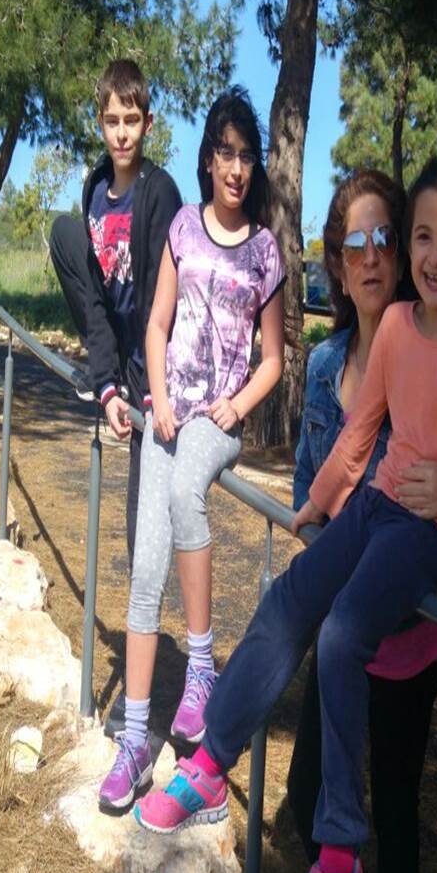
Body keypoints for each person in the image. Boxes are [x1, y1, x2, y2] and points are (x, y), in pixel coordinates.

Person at [134, 155, 437, 873]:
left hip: (420, 532)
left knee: (341, 639)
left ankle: (342, 869)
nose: (429, 254)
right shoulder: (394, 332)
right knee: (289, 594)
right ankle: (211, 757)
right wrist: (313, 504)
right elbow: (359, 433)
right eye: (419, 237)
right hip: (373, 506)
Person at [288, 169, 437, 873]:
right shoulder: (326, 362)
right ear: (335, 259)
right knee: (307, 788)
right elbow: (308, 484)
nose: (369, 256)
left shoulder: (435, 355)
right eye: (351, 242)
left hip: (405, 632)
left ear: (400, 253)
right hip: (341, 625)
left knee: (395, 798)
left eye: (383, 238)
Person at [97, 86, 285, 811]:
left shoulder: (264, 250)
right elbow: (156, 323)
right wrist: (158, 398)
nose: (235, 168)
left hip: (216, 419)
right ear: (208, 160)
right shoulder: (182, 226)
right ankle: (135, 739)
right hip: (166, 412)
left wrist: (235, 405)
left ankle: (202, 666)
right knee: (144, 573)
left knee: (184, 494)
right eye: (225, 154)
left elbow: (274, 359)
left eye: (247, 156)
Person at [49, 59, 182, 569]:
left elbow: (161, 302)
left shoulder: (159, 192)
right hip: (118, 349)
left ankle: (141, 604)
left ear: (148, 123)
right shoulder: (95, 189)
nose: (122, 134)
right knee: (64, 233)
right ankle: (106, 375)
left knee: (142, 517)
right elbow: (98, 297)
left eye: (131, 120)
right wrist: (106, 384)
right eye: (112, 121)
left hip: (154, 357)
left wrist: (149, 389)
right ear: (100, 123)